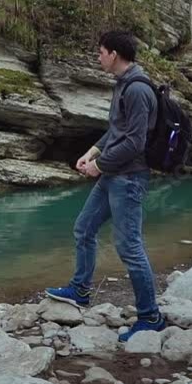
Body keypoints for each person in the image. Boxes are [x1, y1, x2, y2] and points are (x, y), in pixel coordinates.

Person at [45, 30, 165, 342]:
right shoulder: (123, 84)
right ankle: (80, 290)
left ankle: (150, 316)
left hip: (129, 178)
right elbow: (116, 131)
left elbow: (135, 142)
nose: (98, 57)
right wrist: (92, 152)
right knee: (84, 228)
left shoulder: (137, 89)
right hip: (113, 174)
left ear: (114, 54)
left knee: (129, 247)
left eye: (100, 52)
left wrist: (99, 166)